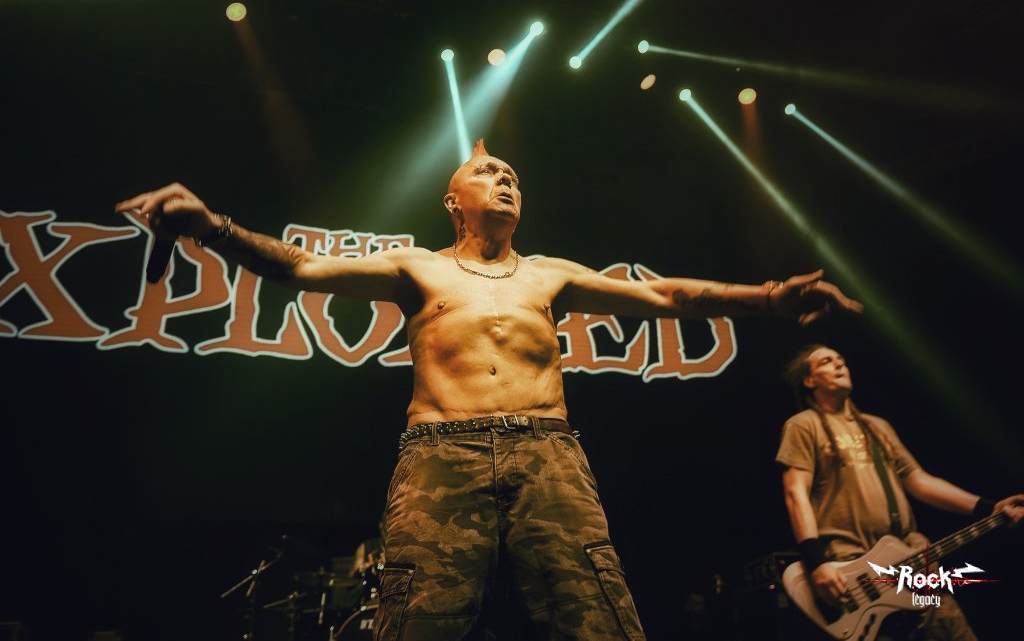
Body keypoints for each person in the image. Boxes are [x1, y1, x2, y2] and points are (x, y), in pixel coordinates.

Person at [116, 141, 863, 640]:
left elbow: (665, 295)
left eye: (513, 177)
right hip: (443, 456)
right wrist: (212, 226)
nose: (506, 180)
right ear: (454, 201)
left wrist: (770, 298)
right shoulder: (419, 267)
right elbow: (301, 267)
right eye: (489, 173)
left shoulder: (549, 274)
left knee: (597, 617)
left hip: (548, 456)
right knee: (415, 620)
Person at [776, 344, 1024, 641]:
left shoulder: (877, 426)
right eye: (827, 362)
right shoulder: (803, 425)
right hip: (852, 565)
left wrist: (989, 507)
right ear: (809, 380)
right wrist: (817, 562)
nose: (840, 365)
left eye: (841, 359)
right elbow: (795, 494)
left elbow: (919, 481)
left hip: (912, 558)